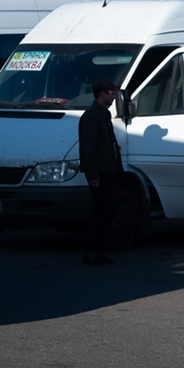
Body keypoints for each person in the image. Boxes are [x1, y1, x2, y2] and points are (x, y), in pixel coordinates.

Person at [78, 78, 122, 265]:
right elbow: (87, 148)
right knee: (104, 209)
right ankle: (91, 248)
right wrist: (93, 175)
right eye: (111, 94)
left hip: (108, 169)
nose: (113, 97)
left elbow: (105, 140)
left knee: (105, 208)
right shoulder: (91, 116)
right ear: (102, 94)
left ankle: (94, 247)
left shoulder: (103, 114)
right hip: (100, 172)